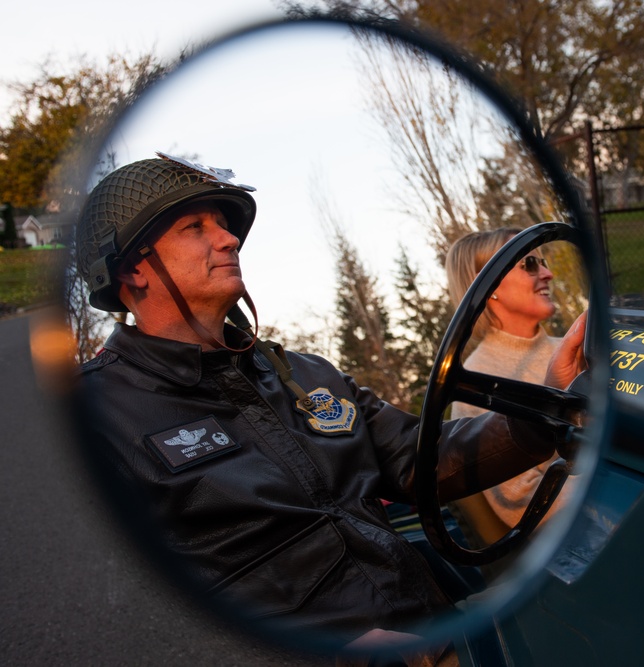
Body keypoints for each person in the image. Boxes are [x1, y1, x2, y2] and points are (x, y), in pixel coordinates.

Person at [72, 154, 587, 660]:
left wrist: (546, 407)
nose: (228, 239)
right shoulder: (102, 413)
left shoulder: (307, 373)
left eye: (225, 225)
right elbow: (129, 607)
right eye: (194, 227)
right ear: (132, 270)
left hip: (437, 630)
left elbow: (418, 458)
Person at [444, 228, 580, 546]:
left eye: (543, 262)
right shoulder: (477, 383)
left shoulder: (575, 349)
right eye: (530, 264)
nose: (547, 273)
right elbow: (521, 504)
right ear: (488, 284)